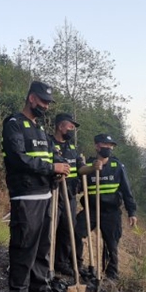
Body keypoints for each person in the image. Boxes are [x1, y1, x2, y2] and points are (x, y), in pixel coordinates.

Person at [2, 81, 71, 292]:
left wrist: (62, 166)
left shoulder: (40, 130)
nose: (46, 106)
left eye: (48, 103)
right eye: (43, 101)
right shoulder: (13, 125)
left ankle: (39, 288)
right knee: (24, 246)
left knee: (43, 247)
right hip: (25, 195)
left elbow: (53, 154)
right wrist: (52, 167)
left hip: (46, 195)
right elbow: (18, 159)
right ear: (31, 98)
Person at [75, 133, 137, 281]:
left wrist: (132, 212)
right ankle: (77, 265)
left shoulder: (117, 166)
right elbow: (77, 187)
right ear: (97, 146)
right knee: (76, 231)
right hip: (91, 210)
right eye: (105, 145)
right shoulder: (88, 165)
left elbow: (127, 191)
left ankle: (111, 276)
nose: (108, 148)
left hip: (111, 212)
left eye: (110, 146)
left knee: (112, 242)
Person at [50, 113, 86, 277]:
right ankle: (46, 262)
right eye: (70, 126)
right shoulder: (48, 143)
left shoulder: (72, 148)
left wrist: (91, 168)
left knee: (67, 229)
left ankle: (61, 262)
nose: (73, 130)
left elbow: (80, 168)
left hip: (70, 195)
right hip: (53, 194)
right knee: (50, 228)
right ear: (60, 126)